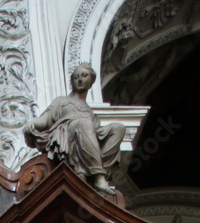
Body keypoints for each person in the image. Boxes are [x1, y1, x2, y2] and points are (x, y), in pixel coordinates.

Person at [23, 64, 125, 193]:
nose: (80, 79)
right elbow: (47, 118)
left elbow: (96, 132)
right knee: (84, 124)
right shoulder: (61, 101)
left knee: (119, 128)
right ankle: (98, 177)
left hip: (87, 134)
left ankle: (94, 169)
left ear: (91, 81)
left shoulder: (89, 112)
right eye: (76, 77)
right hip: (67, 134)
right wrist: (33, 123)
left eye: (84, 76)